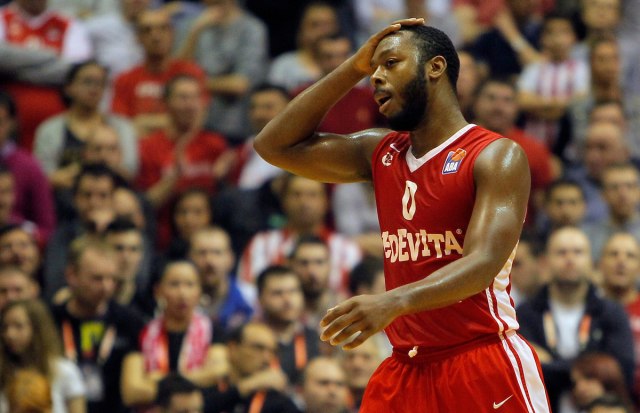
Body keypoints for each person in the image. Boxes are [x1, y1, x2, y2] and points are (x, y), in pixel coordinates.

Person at [253, 19, 550, 411]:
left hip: (481, 358)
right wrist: (352, 68)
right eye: (373, 69)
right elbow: (273, 145)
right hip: (405, 367)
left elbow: (481, 264)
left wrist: (393, 302)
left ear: (435, 67)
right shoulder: (380, 151)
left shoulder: (495, 155)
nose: (376, 76)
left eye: (390, 63)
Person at [516, 226, 634, 413]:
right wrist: (592, 371)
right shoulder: (525, 314)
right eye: (561, 252)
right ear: (545, 262)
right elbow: (524, 371)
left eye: (578, 252)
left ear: (591, 262)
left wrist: (551, 364)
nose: (570, 259)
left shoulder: (611, 312)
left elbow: (623, 370)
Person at [50, 238, 144, 413]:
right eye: (97, 279)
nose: (106, 287)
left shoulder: (129, 321)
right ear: (71, 275)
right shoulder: (50, 319)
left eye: (112, 279)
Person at [120, 261, 226, 408]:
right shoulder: (142, 332)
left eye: (190, 284)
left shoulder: (213, 330)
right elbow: (131, 392)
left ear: (199, 290)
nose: (182, 293)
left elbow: (217, 373)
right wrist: (196, 379)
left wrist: (158, 381)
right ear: (158, 291)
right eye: (174, 284)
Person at [0, 299, 86, 413]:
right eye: (5, 327)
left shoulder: (64, 371)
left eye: (18, 326)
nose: (9, 334)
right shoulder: (3, 372)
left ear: (38, 328)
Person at [202, 321, 298, 413]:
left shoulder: (278, 403)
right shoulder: (209, 386)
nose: (267, 359)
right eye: (258, 348)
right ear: (233, 348)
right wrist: (246, 386)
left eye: (272, 352)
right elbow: (199, 406)